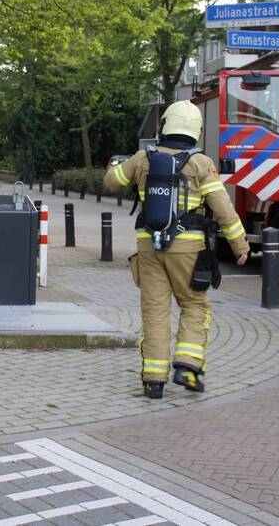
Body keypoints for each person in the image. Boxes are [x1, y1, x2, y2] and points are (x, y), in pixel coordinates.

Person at [104, 100, 249, 400]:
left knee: (155, 312)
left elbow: (111, 182)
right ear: (195, 129)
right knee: (195, 305)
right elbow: (223, 209)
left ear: (165, 125)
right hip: (188, 248)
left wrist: (120, 166)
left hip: (148, 246)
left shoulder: (144, 158)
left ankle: (154, 380)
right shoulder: (200, 163)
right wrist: (240, 245)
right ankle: (187, 366)